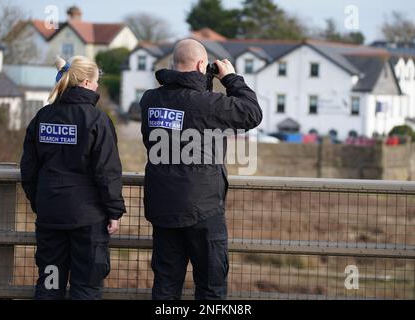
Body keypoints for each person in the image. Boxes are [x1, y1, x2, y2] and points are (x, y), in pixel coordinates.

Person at [140, 38, 263, 300]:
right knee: (211, 287)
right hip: (203, 208)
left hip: (163, 207)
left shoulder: (150, 100)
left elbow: (182, 108)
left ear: (174, 64)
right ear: (201, 64)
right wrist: (230, 79)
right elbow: (252, 113)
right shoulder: (209, 104)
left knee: (165, 286)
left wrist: (203, 82)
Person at [20, 55, 126, 300]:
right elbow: (107, 171)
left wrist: (40, 201)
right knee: (86, 287)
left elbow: (29, 168)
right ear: (87, 82)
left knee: (50, 284)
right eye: (96, 81)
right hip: (87, 219)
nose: (98, 86)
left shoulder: (43, 117)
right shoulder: (97, 120)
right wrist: (114, 211)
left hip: (50, 214)